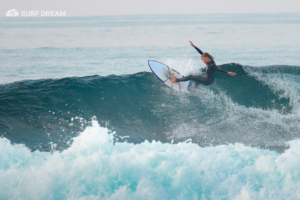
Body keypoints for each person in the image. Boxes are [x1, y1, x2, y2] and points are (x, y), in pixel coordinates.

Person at [171, 41, 236, 86]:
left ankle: (176, 80)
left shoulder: (211, 65)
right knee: (198, 76)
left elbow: (218, 68)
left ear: (207, 57)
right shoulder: (210, 61)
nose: (202, 61)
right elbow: (201, 53)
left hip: (207, 80)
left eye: (202, 59)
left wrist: (227, 72)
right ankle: (194, 89)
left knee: (191, 76)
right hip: (209, 80)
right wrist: (194, 46)